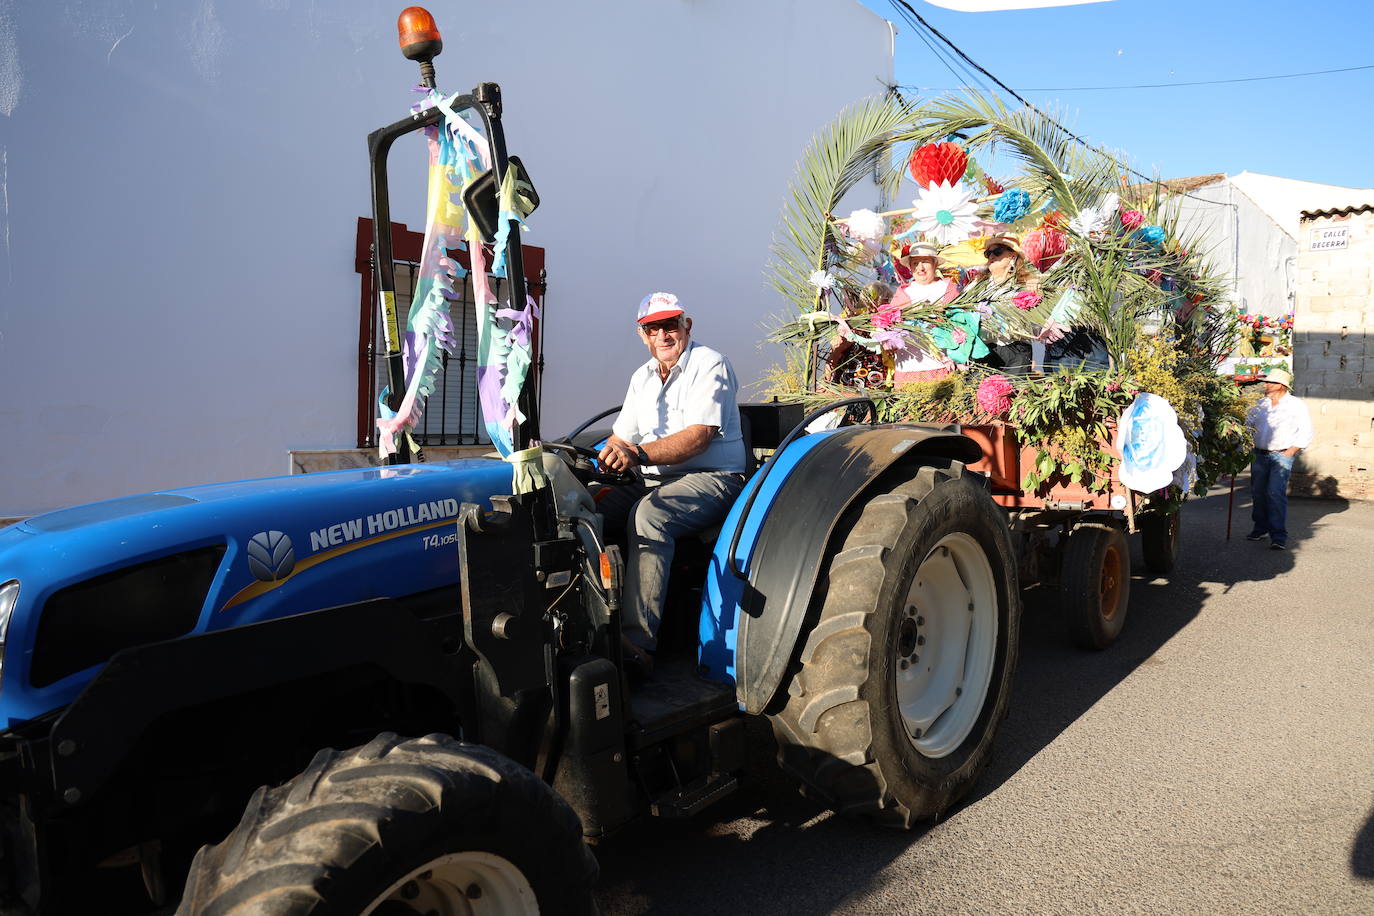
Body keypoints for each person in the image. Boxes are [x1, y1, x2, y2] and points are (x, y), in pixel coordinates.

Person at [598, 292, 747, 674]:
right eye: (654, 328)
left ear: (687, 326)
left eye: (670, 325)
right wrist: (606, 455)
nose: (663, 335)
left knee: (650, 516)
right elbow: (621, 436)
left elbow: (699, 437)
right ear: (642, 334)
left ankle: (637, 642)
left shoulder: (709, 364)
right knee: (586, 508)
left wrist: (639, 454)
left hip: (713, 479)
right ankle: (592, 622)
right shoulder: (642, 377)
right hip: (653, 479)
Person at [1244, 368, 1313, 550]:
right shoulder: (1259, 405)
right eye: (1267, 382)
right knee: (1258, 494)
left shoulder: (1296, 405)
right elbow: (1248, 426)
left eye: (1270, 382)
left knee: (1275, 493)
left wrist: (1291, 451)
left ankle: (1278, 535)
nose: (1266, 385)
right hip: (1259, 454)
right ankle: (1260, 528)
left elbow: (1306, 430)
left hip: (1281, 455)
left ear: (1281, 386)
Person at [889, 243, 959, 385]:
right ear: (910, 267)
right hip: (908, 365)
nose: (920, 268)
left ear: (935, 264)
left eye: (925, 262)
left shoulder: (947, 288)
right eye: (915, 263)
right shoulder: (903, 292)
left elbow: (958, 321)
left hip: (940, 364)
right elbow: (891, 325)